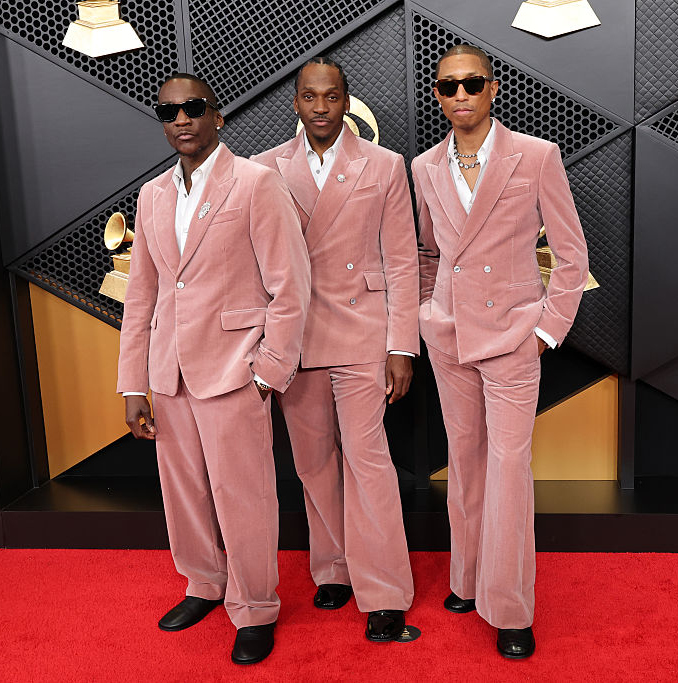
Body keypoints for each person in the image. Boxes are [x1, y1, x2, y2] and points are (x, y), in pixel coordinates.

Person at [116, 73, 310, 665]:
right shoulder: (152, 196)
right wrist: (133, 382)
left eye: (193, 108)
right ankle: (204, 583)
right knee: (184, 495)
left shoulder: (257, 184)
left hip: (234, 371)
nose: (181, 119)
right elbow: (143, 296)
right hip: (169, 373)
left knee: (243, 497)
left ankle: (254, 608)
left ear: (217, 116)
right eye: (168, 110)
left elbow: (291, 288)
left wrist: (266, 373)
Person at [411, 45, 589, 659]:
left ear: (492, 89)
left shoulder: (536, 156)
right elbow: (429, 252)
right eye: (447, 86)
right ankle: (467, 578)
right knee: (465, 459)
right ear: (438, 95)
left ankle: (510, 607)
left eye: (471, 84)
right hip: (450, 337)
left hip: (514, 335)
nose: (459, 95)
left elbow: (571, 256)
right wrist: (428, 313)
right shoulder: (425, 166)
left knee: (509, 468)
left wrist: (545, 330)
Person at [251, 56, 418, 642]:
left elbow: (402, 259)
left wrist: (403, 345)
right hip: (295, 341)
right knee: (313, 462)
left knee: (368, 460)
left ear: (347, 102)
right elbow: (257, 266)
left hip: (363, 332)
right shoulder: (264, 170)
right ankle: (334, 567)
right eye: (309, 96)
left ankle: (387, 589)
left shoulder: (385, 165)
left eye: (331, 96)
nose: (320, 107)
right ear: (295, 102)